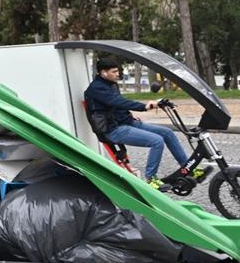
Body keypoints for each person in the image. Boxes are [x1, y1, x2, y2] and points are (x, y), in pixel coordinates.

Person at [84, 57, 197, 189]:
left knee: (167, 133)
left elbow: (117, 106)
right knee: (156, 141)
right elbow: (118, 102)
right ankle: (151, 179)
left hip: (125, 123)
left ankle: (188, 168)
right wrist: (144, 107)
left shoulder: (111, 84)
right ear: (103, 72)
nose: (118, 74)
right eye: (114, 72)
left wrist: (129, 116)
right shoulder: (96, 88)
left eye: (117, 71)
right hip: (112, 130)